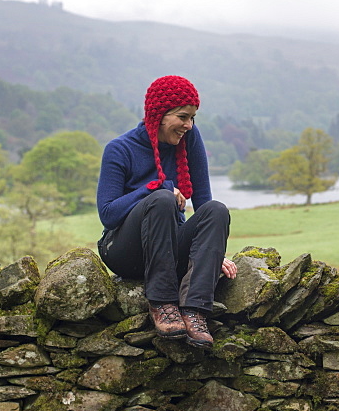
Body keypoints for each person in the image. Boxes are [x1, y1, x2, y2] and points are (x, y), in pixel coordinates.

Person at [96, 75, 237, 349]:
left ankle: (194, 311)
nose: (189, 125)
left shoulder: (189, 139)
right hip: (124, 252)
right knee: (161, 198)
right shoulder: (119, 149)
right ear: (158, 115)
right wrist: (152, 189)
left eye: (193, 118)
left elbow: (204, 205)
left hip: (168, 249)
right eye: (183, 117)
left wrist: (211, 253)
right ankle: (162, 303)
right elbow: (108, 215)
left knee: (217, 210)